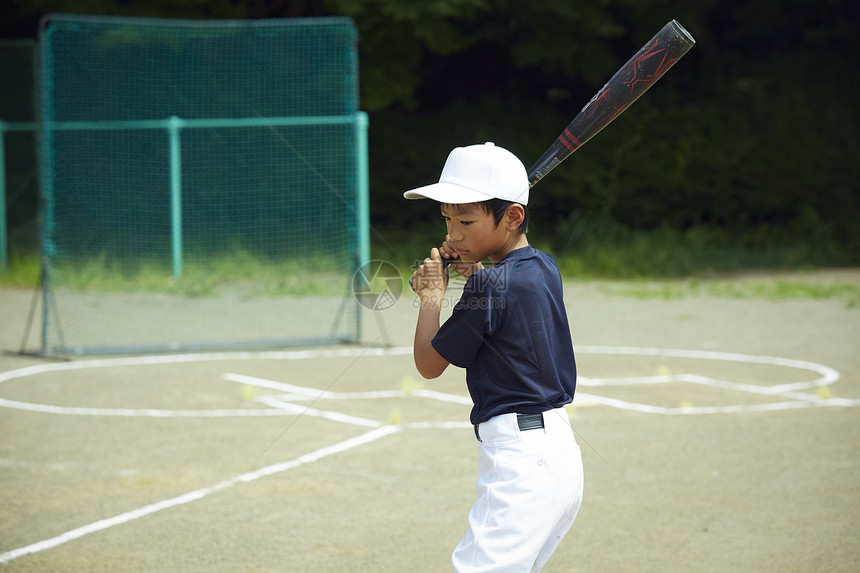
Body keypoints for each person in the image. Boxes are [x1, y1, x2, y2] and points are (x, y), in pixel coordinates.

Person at [405, 142, 584, 572]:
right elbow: (506, 301)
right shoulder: (544, 266)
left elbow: (428, 365)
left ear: (513, 216)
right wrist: (474, 275)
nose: (453, 235)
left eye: (467, 220)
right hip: (559, 458)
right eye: (447, 219)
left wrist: (432, 297)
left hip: (519, 463)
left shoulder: (487, 288)